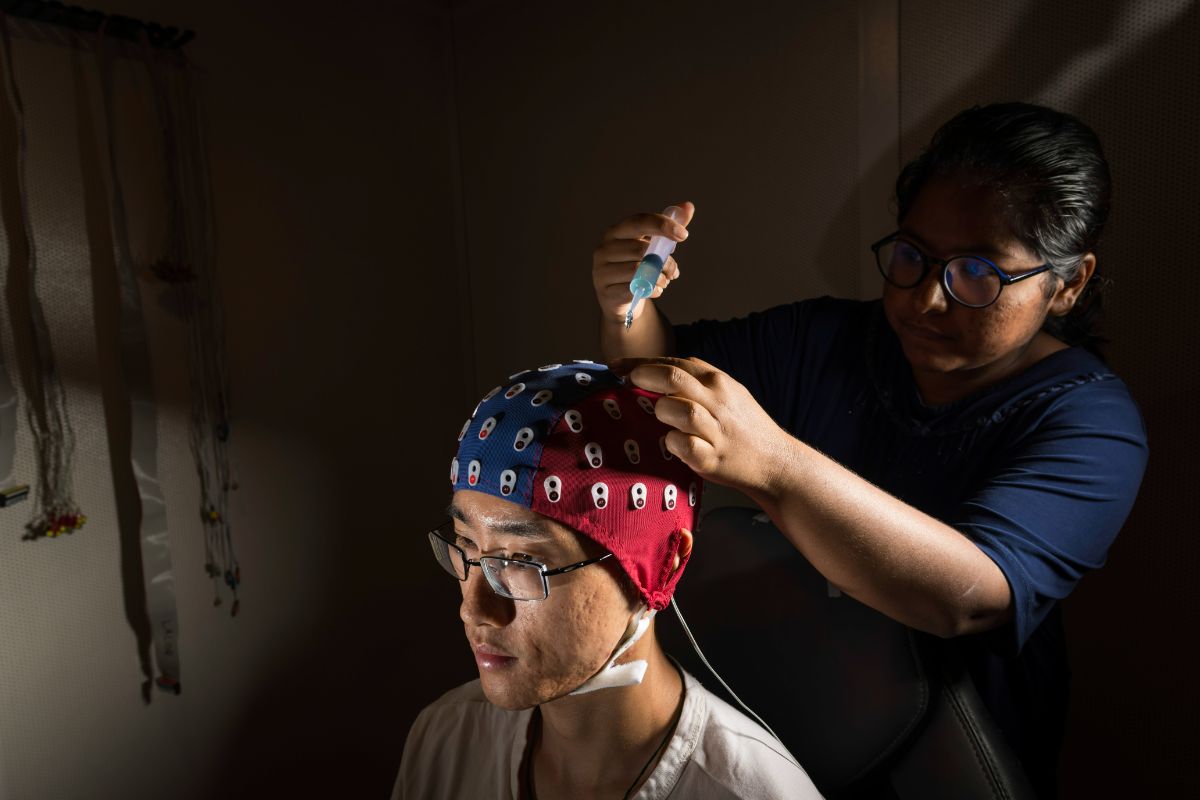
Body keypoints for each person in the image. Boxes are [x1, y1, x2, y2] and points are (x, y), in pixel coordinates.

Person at [591, 103, 1148, 796]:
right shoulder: (832, 341)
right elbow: (658, 380)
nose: (927, 301)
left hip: (955, 765)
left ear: (1068, 283)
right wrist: (630, 309)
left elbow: (967, 597)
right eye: (912, 256)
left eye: (979, 273)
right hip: (793, 734)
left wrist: (772, 464)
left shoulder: (1089, 419)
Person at [395, 362, 821, 799]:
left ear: (663, 563)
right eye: (465, 543)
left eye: (521, 560)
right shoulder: (446, 740)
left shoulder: (757, 791)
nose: (475, 609)